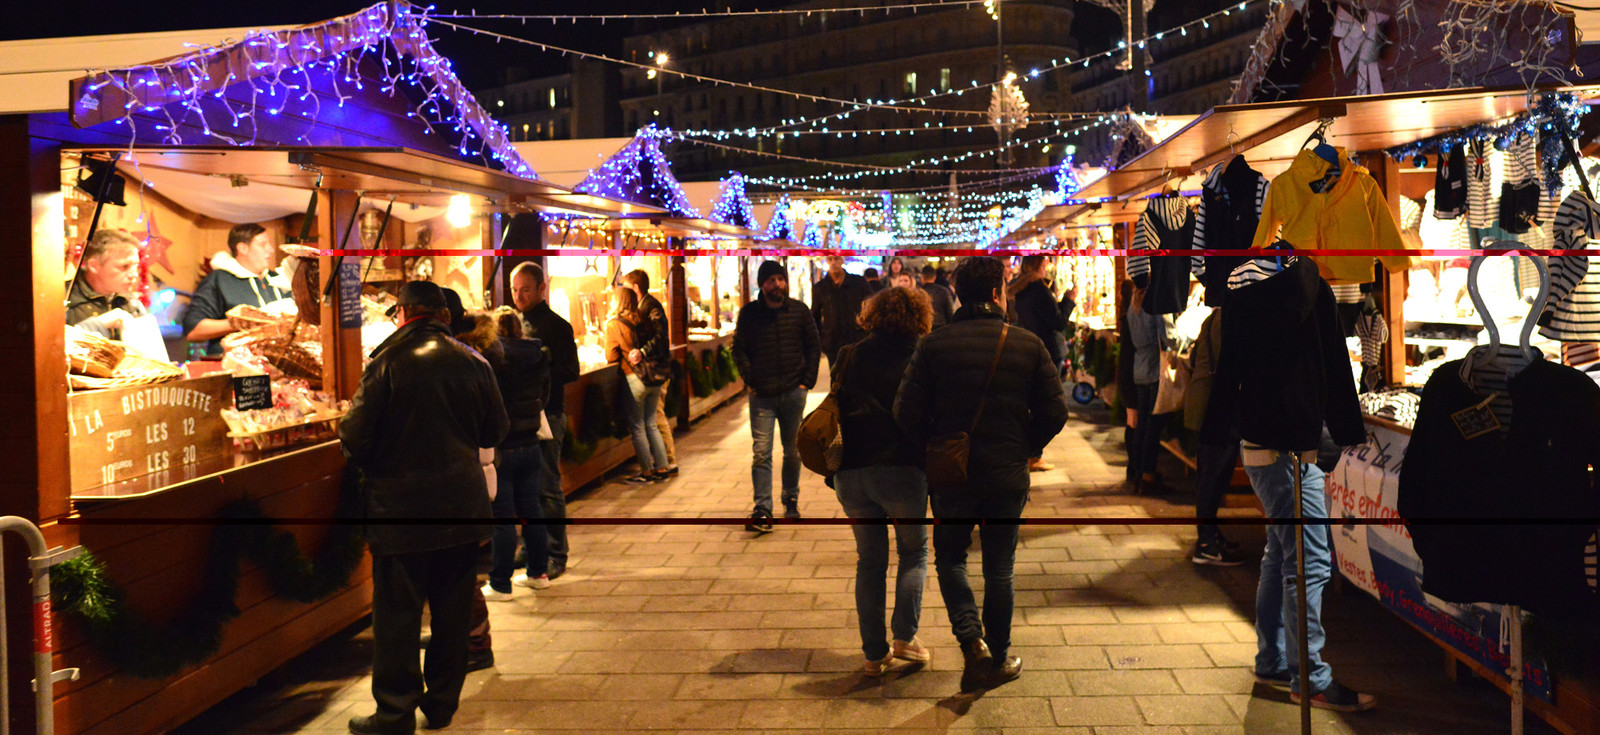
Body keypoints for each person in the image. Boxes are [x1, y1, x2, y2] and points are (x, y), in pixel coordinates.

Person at [338, 280, 508, 734]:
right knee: (453, 612)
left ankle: (394, 714)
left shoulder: (385, 363)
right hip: (461, 507)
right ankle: (442, 705)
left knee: (398, 617)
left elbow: (353, 436)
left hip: (401, 511)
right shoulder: (474, 362)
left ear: (403, 314)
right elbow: (495, 430)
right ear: (444, 316)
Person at [895, 256, 1069, 693]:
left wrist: (935, 446)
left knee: (951, 557)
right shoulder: (1027, 344)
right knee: (999, 567)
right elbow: (1055, 411)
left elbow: (905, 411)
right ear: (996, 294)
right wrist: (1025, 447)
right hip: (1006, 475)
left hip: (953, 474)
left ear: (958, 294)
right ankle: (1000, 655)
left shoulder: (933, 346)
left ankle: (972, 644)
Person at [833, 286, 934, 676]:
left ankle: (874, 654)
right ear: (919, 317)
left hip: (852, 471)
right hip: (902, 470)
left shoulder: (849, 354)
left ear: (872, 315)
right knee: (914, 552)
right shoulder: (922, 357)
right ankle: (905, 637)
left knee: (870, 561)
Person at [453, 307, 554, 601]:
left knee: (503, 517)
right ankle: (539, 573)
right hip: (531, 443)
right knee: (532, 510)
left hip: (504, 448)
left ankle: (500, 583)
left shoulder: (494, 360)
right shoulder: (536, 354)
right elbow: (544, 396)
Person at [731, 260, 821, 531]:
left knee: (793, 452)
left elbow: (813, 346)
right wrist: (750, 379)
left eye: (780, 279)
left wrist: (806, 382)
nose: (777, 284)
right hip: (762, 395)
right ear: (762, 285)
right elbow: (739, 349)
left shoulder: (799, 311)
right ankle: (762, 508)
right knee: (761, 453)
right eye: (771, 280)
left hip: (794, 392)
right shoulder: (749, 314)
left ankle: (790, 499)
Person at [511, 262, 577, 580]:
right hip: (521, 418)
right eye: (515, 290)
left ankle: (555, 553)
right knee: (525, 489)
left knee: (548, 487)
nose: (519, 296)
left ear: (541, 288)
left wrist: (541, 366)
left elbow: (571, 371)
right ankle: (530, 547)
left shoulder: (557, 326)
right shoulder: (512, 324)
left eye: (525, 289)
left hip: (549, 415)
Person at [1186, 308, 1248, 566]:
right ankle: (1205, 544)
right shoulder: (1231, 319)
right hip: (1216, 406)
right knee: (1212, 477)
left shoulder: (1214, 317)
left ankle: (1211, 534)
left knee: (1212, 475)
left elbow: (1193, 358)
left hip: (1207, 402)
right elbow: (1235, 363)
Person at [182, 222, 291, 355]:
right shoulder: (220, 280)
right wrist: (243, 322)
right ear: (243, 248)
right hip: (237, 362)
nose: (271, 250)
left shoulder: (279, 280)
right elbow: (193, 330)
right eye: (263, 245)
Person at [1008, 256, 1068, 473]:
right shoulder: (1039, 290)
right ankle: (1034, 454)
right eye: (1044, 266)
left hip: (1029, 347)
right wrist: (1069, 300)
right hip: (1048, 349)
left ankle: (1030, 453)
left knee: (1033, 401)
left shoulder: (1018, 289)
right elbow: (1058, 322)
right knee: (1047, 403)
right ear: (1037, 267)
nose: (1046, 269)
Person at [605, 286, 670, 483]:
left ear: (618, 301)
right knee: (651, 423)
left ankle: (647, 471)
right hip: (653, 377)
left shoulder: (614, 324)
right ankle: (663, 466)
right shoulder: (644, 319)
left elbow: (610, 356)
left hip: (634, 378)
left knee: (638, 427)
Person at [622, 269, 679, 475]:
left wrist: (643, 352)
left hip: (655, 370)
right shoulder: (644, 306)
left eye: (626, 287)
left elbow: (661, 337)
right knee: (653, 418)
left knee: (656, 417)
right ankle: (665, 462)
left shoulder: (650, 306)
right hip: (654, 370)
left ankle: (668, 461)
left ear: (635, 287)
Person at [1125, 285, 1171, 495]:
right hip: (1154, 367)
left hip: (1139, 367)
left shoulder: (1133, 306)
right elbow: (1169, 337)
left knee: (1142, 423)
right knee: (1153, 425)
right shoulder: (1157, 304)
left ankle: (1137, 472)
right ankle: (1148, 475)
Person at [67, 229, 146, 339]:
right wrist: (97, 325)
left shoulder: (132, 303)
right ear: (94, 266)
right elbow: (51, 344)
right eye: (124, 266)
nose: (134, 274)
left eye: (135, 266)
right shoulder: (63, 298)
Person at [811, 255, 872, 365]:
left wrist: (866, 332)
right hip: (832, 342)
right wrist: (822, 340)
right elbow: (815, 316)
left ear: (842, 260)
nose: (833, 262)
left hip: (856, 339)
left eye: (836, 258)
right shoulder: (820, 287)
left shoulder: (858, 282)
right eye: (830, 259)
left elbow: (870, 306)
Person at [919, 265, 955, 329]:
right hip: (942, 327)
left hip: (924, 328)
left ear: (922, 277)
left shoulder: (918, 292)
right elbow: (950, 312)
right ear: (935, 277)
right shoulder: (944, 291)